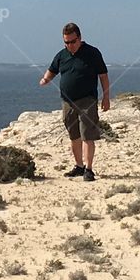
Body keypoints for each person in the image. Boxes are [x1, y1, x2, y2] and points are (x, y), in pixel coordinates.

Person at [39, 22, 110, 181]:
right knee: (74, 136)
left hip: (87, 101)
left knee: (87, 135)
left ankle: (89, 169)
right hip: (67, 102)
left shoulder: (92, 53)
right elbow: (52, 71)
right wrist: (45, 79)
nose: (69, 45)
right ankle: (79, 166)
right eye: (66, 42)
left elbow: (103, 75)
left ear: (80, 38)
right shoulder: (61, 55)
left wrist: (106, 97)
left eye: (72, 41)